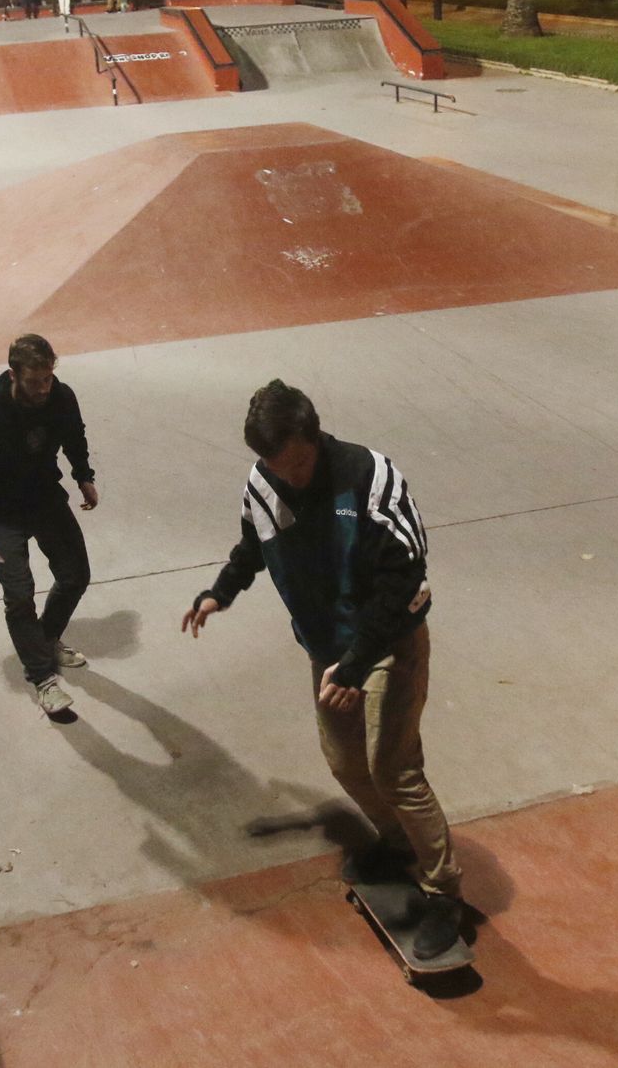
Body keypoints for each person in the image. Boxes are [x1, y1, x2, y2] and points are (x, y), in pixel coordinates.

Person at [180, 380, 465, 961]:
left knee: (394, 769)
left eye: (299, 464)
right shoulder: (266, 482)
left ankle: (444, 892)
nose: (289, 478)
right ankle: (397, 841)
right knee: (344, 761)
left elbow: (405, 578)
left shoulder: (371, 479)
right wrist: (220, 592)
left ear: (315, 437)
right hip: (327, 648)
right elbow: (253, 544)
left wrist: (356, 666)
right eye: (276, 467)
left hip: (388, 642)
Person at [0, 334, 98, 718]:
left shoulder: (61, 397)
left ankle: (44, 639)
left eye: (48, 378)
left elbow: (74, 435)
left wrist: (83, 475)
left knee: (75, 575)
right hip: (0, 514)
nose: (43, 388)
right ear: (13, 375)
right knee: (19, 594)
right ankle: (43, 677)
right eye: (34, 381)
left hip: (45, 499)